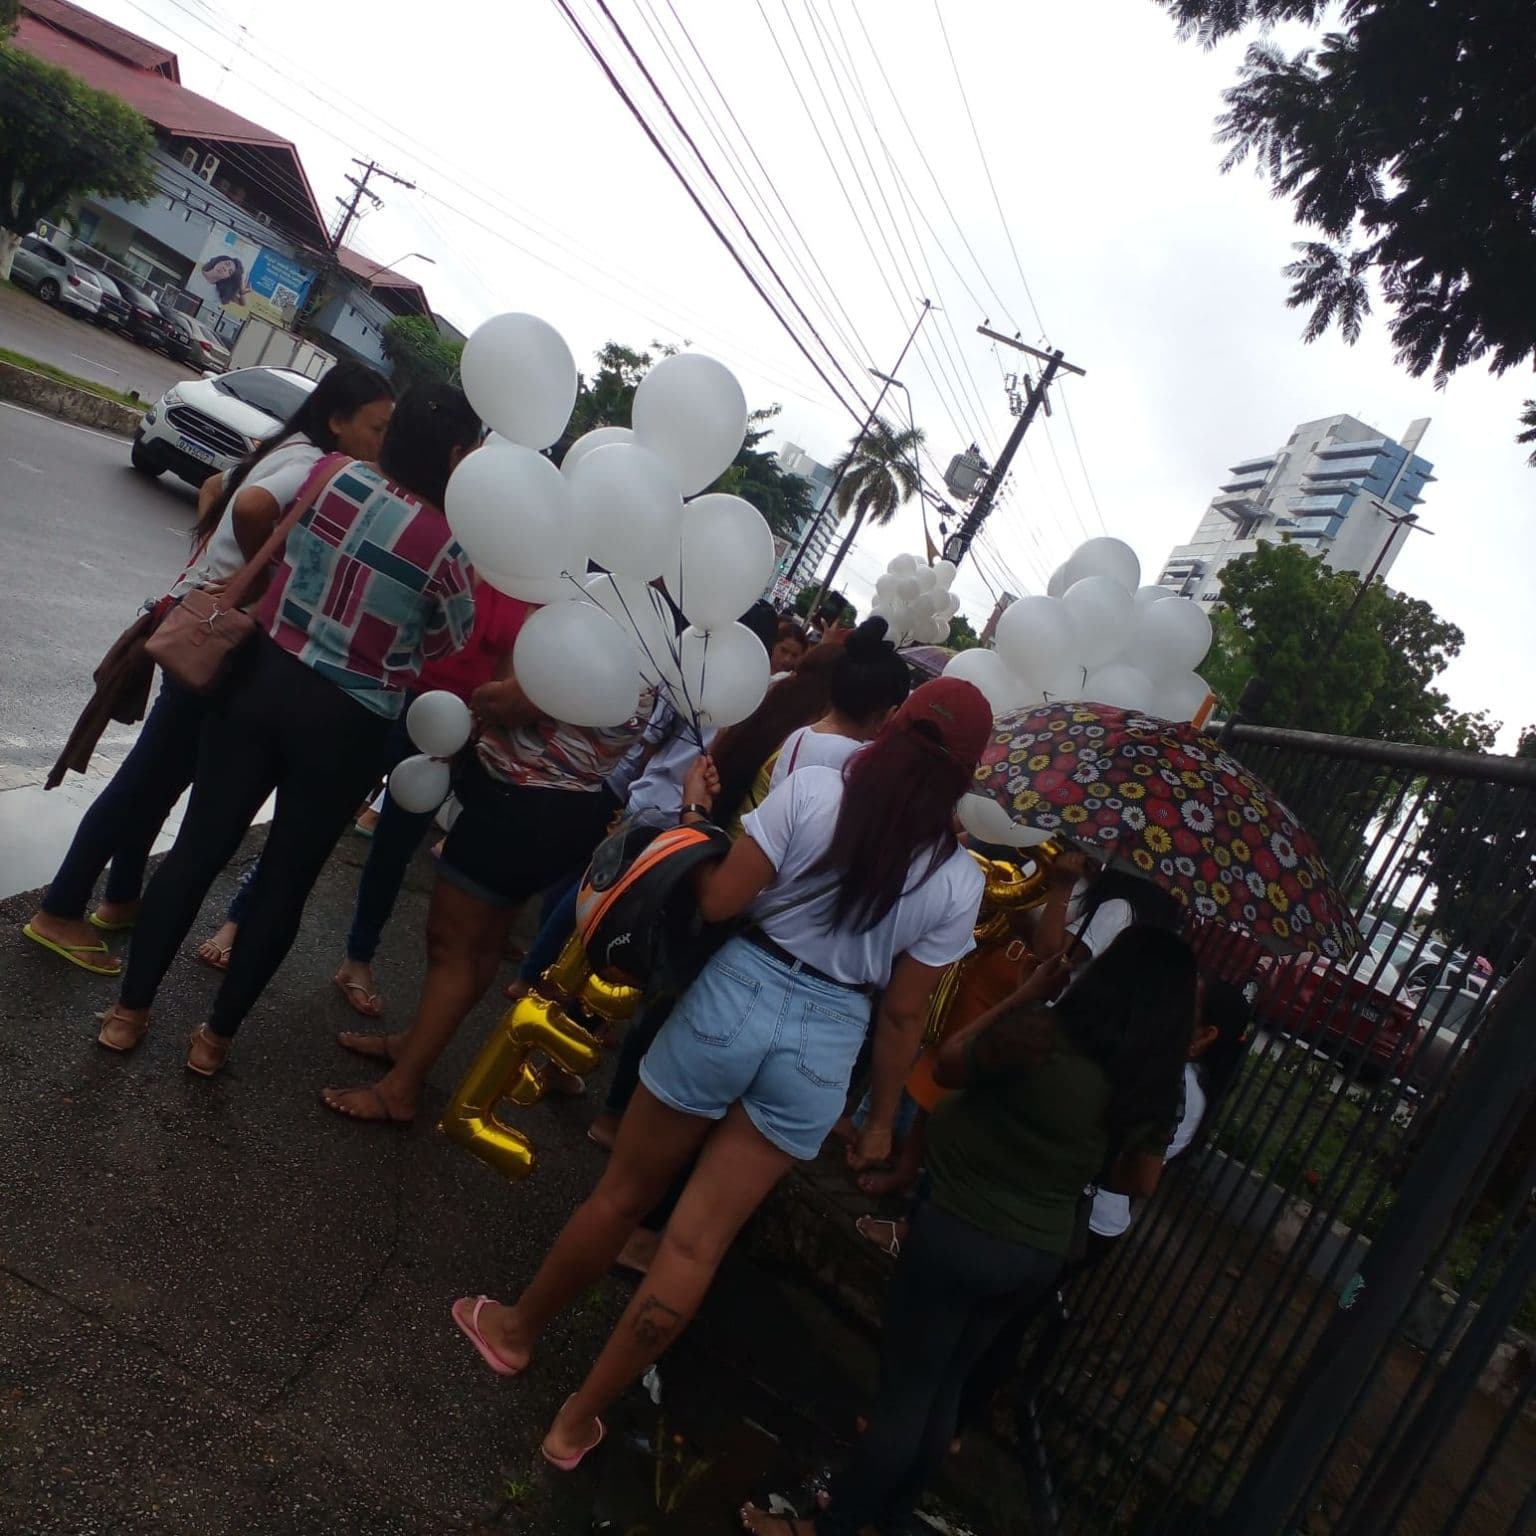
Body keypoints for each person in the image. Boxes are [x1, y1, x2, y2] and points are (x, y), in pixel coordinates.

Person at [447, 678, 993, 1473]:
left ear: (892, 729)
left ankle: (514, 1331)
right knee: (697, 1245)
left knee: (624, 1194)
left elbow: (720, 901)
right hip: (830, 1038)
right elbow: (906, 1016)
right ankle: (576, 1424)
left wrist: (701, 822)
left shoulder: (812, 792)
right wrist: (876, 1120)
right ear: (967, 775)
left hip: (740, 989)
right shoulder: (959, 880)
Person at [743, 925, 1199, 1536]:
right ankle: (891, 1517)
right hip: (1035, 1253)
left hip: (960, 1231)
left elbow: (951, 1062)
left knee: (906, 1395)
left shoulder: (1040, 1034)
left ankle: (828, 1529)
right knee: (945, 1389)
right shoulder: (1151, 1089)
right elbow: (1138, 1183)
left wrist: (1028, 993)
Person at [93, 384, 479, 1070]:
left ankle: (129, 1013)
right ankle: (213, 1042)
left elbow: (256, 520)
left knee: (197, 850)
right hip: (350, 725)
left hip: (260, 680)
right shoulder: (451, 549)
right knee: (286, 880)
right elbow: (452, 640)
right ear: (455, 455)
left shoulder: (330, 476)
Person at [23, 364, 394, 976]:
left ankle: (118, 901)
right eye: (377, 427)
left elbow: (217, 486)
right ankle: (59, 910)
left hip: (202, 624)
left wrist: (223, 563)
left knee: (161, 777)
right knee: (143, 781)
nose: (382, 441)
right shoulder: (313, 468)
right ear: (338, 420)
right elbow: (245, 503)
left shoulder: (291, 447)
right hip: (216, 638)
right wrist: (265, 578)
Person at [318, 663, 658, 1124]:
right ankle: (414, 1048)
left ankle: (400, 1088)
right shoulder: (654, 654)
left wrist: (484, 693)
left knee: (451, 945)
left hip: (517, 804)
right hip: (568, 808)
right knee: (480, 945)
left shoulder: (599, 642)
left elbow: (510, 702)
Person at [194, 575, 533, 1015]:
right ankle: (238, 919)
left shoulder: (526, 583)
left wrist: (472, 727)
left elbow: (505, 671)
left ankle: (358, 959)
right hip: (382, 702)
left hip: (449, 729)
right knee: (310, 823)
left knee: (394, 851)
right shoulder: (453, 553)